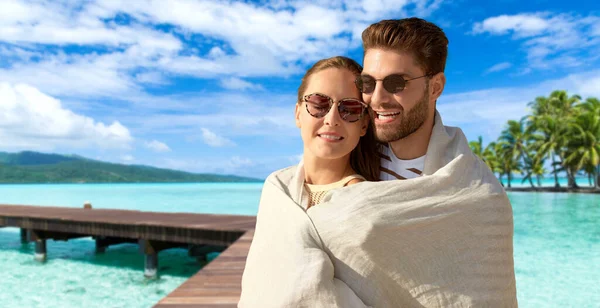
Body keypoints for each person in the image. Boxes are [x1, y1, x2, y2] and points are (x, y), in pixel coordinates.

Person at [240, 18, 518, 308]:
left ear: (435, 87)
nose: (377, 99)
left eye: (397, 83)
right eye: (368, 83)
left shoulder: (477, 196)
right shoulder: (351, 159)